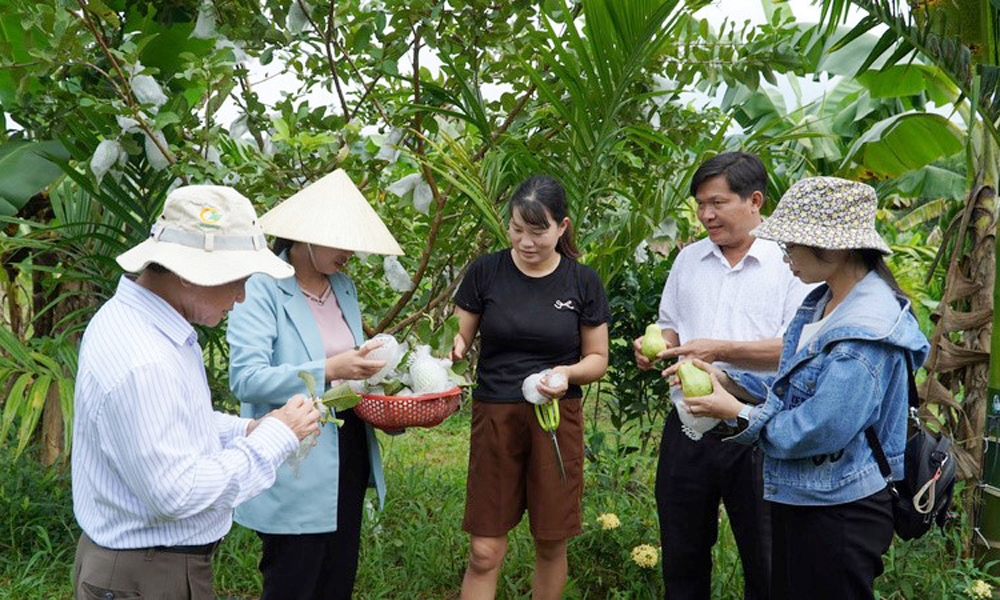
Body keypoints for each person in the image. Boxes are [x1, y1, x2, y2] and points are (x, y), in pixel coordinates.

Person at [671, 176, 929, 599]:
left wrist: (733, 412)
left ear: (834, 247)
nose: (785, 253)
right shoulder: (823, 303)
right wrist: (731, 379)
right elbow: (797, 381)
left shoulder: (863, 335)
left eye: (792, 243)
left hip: (840, 508)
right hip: (806, 494)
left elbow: (817, 427)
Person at [72, 185, 322, 600]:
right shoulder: (145, 358)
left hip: (140, 566)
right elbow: (176, 491)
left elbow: (169, 421)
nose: (241, 297)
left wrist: (248, 429)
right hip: (148, 573)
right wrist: (274, 439)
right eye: (237, 280)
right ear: (190, 274)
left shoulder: (143, 324)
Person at [633, 152, 813, 599]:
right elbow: (669, 323)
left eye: (717, 203)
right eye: (700, 204)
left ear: (754, 200)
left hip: (756, 425)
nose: (706, 215)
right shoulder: (689, 260)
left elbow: (799, 351)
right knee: (682, 552)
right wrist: (654, 345)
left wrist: (720, 350)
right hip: (690, 425)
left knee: (768, 558)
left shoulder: (793, 264)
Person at [226, 169, 403, 600]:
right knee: (293, 579)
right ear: (306, 236)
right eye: (341, 242)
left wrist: (385, 393)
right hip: (297, 452)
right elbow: (246, 379)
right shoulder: (262, 288)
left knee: (337, 576)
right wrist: (328, 366)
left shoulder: (343, 287)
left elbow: (351, 366)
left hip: (349, 446)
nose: (349, 253)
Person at [450, 175, 610, 600]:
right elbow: (460, 336)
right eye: (517, 229)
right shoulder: (486, 271)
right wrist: (453, 348)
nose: (525, 241)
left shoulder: (583, 281)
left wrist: (565, 374)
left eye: (537, 232)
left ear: (563, 227)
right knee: (484, 551)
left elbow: (597, 359)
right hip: (495, 417)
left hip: (557, 421)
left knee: (551, 541)